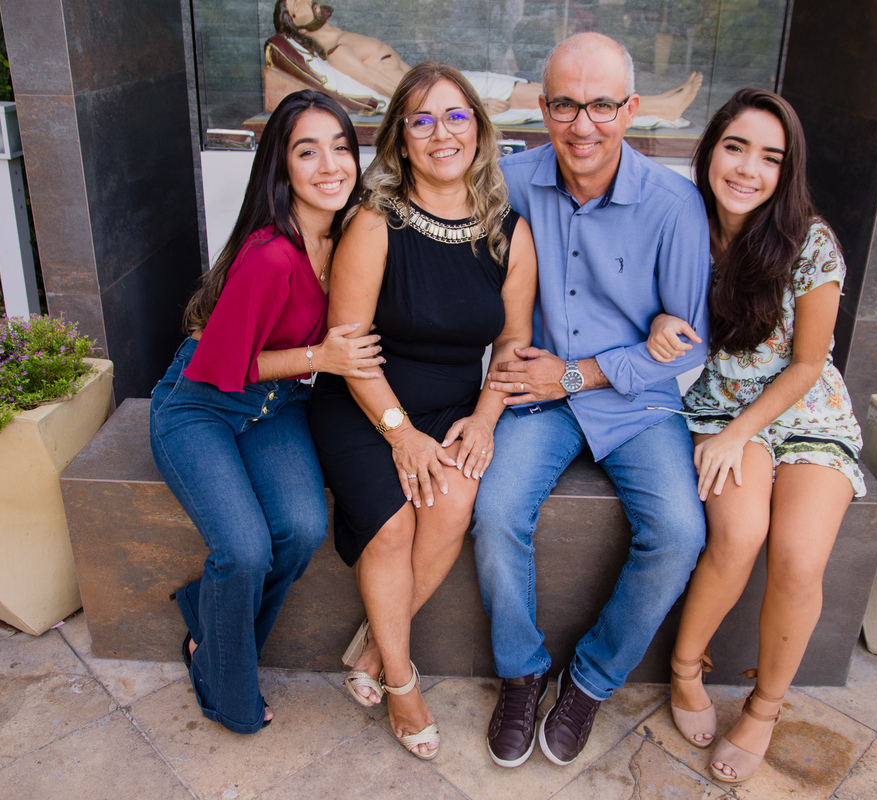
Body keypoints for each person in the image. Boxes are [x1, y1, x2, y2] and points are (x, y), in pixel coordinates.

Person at [471, 32, 712, 769]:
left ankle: (592, 678)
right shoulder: (507, 182)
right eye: (567, 105)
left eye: (602, 105)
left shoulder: (674, 203)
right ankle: (521, 671)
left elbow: (692, 344)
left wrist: (580, 375)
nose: (584, 125)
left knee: (678, 532)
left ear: (632, 109)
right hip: (533, 394)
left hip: (634, 399)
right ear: (541, 110)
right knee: (494, 512)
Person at [308, 62, 538, 760]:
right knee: (392, 526)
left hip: (451, 405)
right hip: (363, 400)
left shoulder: (507, 233)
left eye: (457, 116)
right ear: (402, 141)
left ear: (479, 129)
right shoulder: (376, 223)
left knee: (456, 499)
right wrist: (399, 433)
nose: (443, 133)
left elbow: (514, 345)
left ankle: (374, 648)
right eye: (422, 120)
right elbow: (347, 351)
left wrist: (487, 417)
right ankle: (402, 683)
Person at [149, 90, 383, 735]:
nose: (330, 165)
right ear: (281, 168)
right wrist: (323, 354)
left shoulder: (344, 238)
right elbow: (223, 364)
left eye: (341, 147)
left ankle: (206, 612)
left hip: (279, 405)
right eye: (308, 151)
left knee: (303, 530)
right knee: (245, 550)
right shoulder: (270, 253)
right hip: (201, 404)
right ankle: (225, 681)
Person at [649, 87, 865, 784]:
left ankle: (765, 707)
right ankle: (685, 668)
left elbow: (808, 364)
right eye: (735, 147)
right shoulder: (680, 224)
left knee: (800, 557)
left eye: (769, 158)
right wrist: (653, 327)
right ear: (710, 148)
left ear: (786, 171)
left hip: (803, 412)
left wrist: (741, 434)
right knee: (737, 536)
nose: (747, 169)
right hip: (716, 407)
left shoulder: (810, 242)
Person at [272, 0, 703, 121]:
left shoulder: (344, 37)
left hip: (443, 83)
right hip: (439, 91)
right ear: (293, 16)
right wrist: (466, 108)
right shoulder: (341, 51)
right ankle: (662, 107)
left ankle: (656, 103)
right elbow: (394, 90)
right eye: (298, 1)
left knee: (521, 87)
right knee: (534, 94)